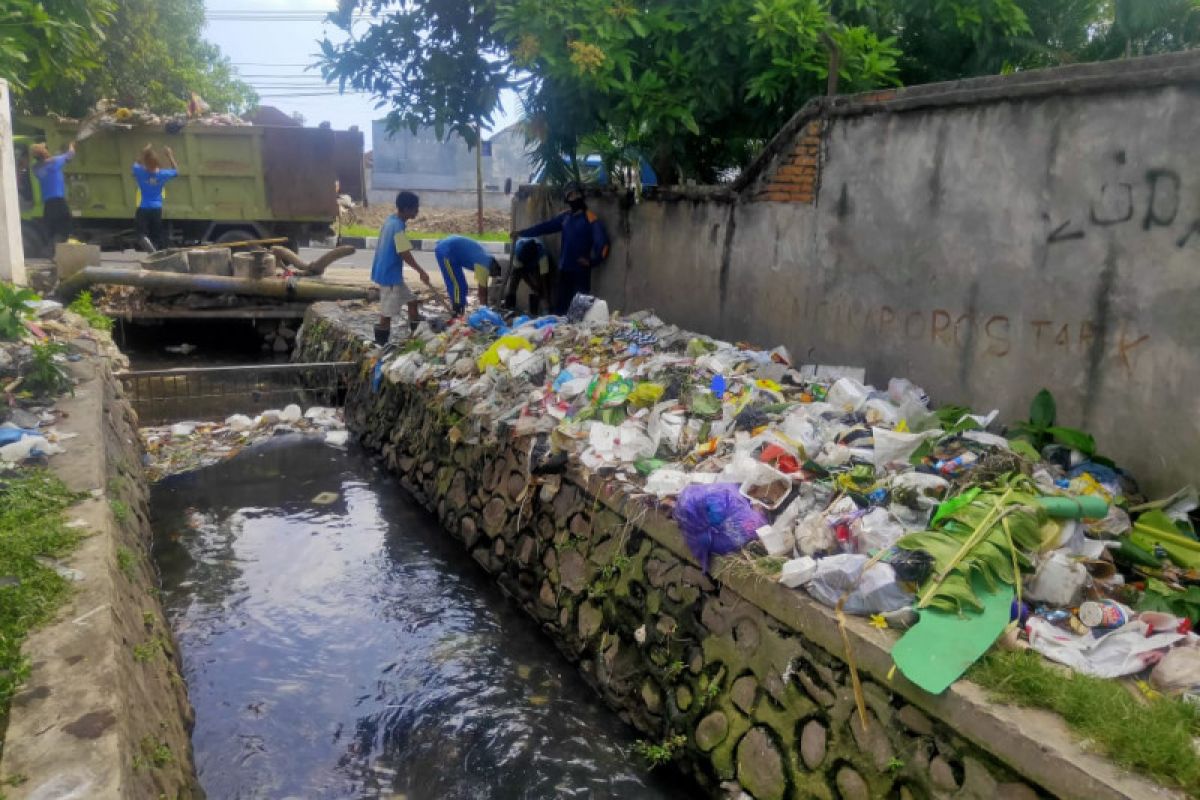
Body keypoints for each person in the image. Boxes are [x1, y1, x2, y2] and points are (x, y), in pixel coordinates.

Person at [512, 183, 609, 314]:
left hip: (581, 271)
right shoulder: (565, 218)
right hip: (564, 269)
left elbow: (603, 245)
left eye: (576, 194)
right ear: (567, 200)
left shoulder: (590, 219)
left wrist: (592, 261)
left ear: (582, 196)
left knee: (581, 309)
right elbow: (544, 227)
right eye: (570, 196)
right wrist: (522, 233)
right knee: (561, 308)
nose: (574, 198)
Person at [371, 191, 433, 345]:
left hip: (392, 275)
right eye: (415, 209)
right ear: (406, 209)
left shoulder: (391, 220)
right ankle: (380, 346)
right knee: (386, 315)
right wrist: (421, 271)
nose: (417, 212)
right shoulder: (397, 227)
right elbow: (404, 252)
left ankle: (415, 336)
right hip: (389, 276)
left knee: (412, 301)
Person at [433, 235, 496, 317]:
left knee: (462, 285)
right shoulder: (483, 266)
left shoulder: (487, 258)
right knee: (456, 285)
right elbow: (482, 292)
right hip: (446, 251)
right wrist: (485, 310)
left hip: (454, 251)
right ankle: (457, 312)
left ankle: (460, 308)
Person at [132, 145, 179, 250]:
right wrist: (170, 155)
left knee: (141, 234)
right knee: (156, 235)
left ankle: (150, 249)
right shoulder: (162, 174)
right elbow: (176, 172)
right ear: (157, 163)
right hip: (157, 209)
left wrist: (144, 153)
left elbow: (136, 164)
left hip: (143, 208)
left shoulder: (141, 173)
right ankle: (156, 253)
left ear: (146, 163)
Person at [30, 141, 76, 246]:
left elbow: (43, 163)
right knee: (65, 228)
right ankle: (58, 251)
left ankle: (51, 251)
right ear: (44, 152)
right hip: (59, 202)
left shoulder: (36, 168)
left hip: (48, 204)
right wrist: (71, 145)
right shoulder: (55, 162)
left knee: (51, 230)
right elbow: (71, 154)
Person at [504, 236, 552, 315]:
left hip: (535, 264)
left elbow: (544, 277)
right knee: (513, 282)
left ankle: (541, 310)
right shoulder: (517, 254)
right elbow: (523, 274)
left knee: (540, 284)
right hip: (521, 264)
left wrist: (543, 292)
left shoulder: (542, 255)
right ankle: (509, 308)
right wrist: (532, 286)